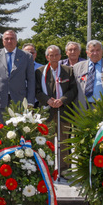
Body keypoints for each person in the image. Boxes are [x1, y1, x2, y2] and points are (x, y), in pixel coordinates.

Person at [35, 45, 78, 173]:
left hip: (64, 111)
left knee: (64, 142)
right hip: (46, 112)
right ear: (47, 57)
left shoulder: (68, 71)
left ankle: (64, 169)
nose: (53, 58)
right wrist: (47, 100)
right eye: (51, 55)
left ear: (60, 56)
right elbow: (36, 90)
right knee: (46, 142)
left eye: (56, 55)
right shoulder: (39, 72)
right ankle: (47, 168)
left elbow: (73, 89)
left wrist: (62, 100)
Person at [0, 30, 35, 124]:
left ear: (16, 40)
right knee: (1, 128)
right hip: (0, 99)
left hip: (20, 100)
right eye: (6, 39)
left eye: (12, 38)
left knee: (19, 129)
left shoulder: (26, 56)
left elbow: (31, 81)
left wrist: (30, 101)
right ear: (3, 41)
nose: (9, 41)